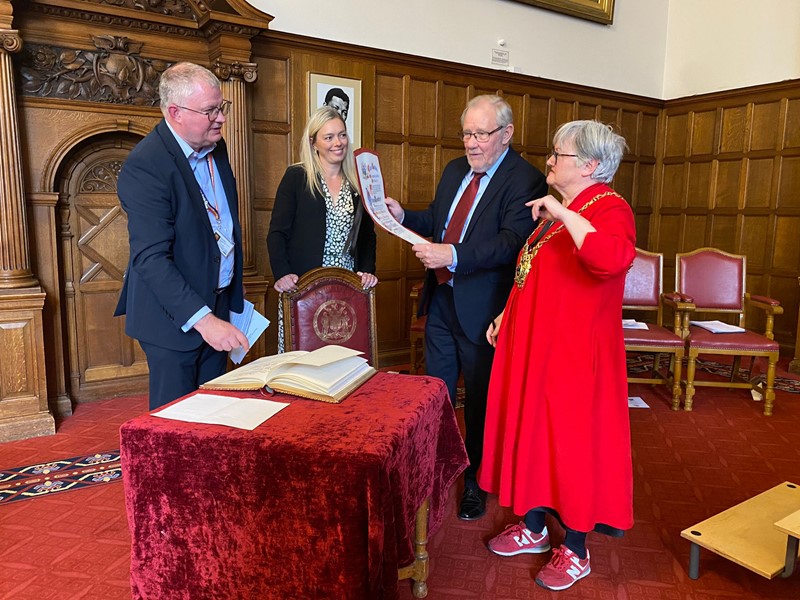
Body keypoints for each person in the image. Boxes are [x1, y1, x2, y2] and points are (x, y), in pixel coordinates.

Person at [478, 120, 635, 591]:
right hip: (537, 349)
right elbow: (532, 272)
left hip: (575, 357)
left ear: (590, 165)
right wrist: (507, 314)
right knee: (535, 436)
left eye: (558, 154)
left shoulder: (609, 208)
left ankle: (577, 549)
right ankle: (533, 525)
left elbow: (610, 258)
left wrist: (563, 216)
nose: (549, 160)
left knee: (571, 446)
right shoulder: (567, 207)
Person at [384, 95, 547, 521]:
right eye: (467, 134)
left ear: (506, 134)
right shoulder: (456, 169)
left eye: (481, 134)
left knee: (478, 400)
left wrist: (452, 255)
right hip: (441, 301)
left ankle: (475, 479)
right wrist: (406, 215)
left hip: (483, 311)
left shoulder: (525, 179)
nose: (471, 144)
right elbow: (440, 219)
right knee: (434, 393)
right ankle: (432, 469)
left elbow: (511, 242)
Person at [114, 62, 249, 411]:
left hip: (217, 308)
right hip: (173, 321)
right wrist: (206, 322)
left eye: (222, 108)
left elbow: (220, 228)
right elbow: (151, 259)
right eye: (210, 111)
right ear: (175, 112)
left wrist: (228, 308)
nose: (220, 118)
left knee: (217, 414)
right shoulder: (146, 165)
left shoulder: (215, 146)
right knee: (176, 427)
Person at [267, 106, 377, 348]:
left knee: (343, 356)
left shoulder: (358, 182)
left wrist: (368, 270)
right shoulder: (296, 176)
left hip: (347, 285)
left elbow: (368, 236)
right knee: (303, 361)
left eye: (342, 135)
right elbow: (277, 233)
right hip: (303, 286)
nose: (338, 143)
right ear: (313, 142)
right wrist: (282, 274)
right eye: (329, 137)